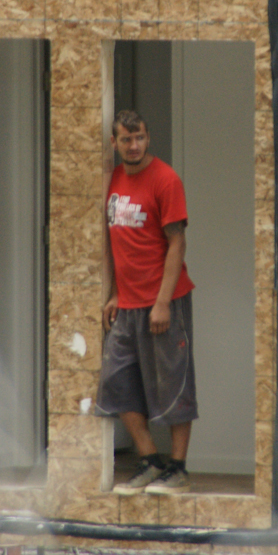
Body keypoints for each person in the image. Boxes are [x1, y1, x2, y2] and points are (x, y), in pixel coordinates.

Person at [96, 109, 197, 495]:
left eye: (139, 138)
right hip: (128, 303)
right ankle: (151, 460)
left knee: (172, 382)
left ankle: (178, 469)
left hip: (163, 300)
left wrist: (163, 302)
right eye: (126, 139)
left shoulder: (166, 180)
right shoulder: (115, 179)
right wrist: (117, 293)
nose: (134, 146)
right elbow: (121, 243)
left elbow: (177, 243)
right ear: (114, 142)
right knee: (117, 382)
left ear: (148, 138)